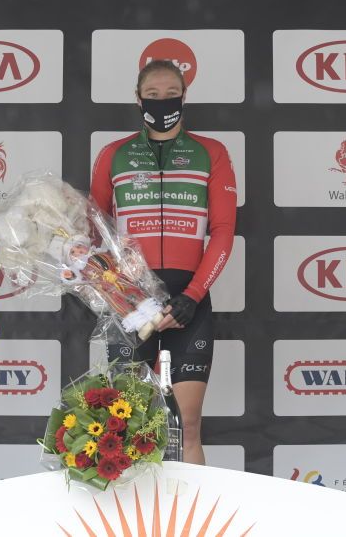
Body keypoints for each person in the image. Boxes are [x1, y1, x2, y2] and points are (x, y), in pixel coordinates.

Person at [91, 59, 237, 465]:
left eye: (170, 93)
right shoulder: (112, 155)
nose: (162, 101)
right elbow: (93, 234)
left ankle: (190, 525)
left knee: (187, 425)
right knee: (123, 424)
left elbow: (223, 230)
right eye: (152, 95)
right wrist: (110, 287)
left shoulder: (212, 153)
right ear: (138, 100)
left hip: (189, 303)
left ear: (184, 95)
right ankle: (127, 523)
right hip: (129, 305)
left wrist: (191, 296)